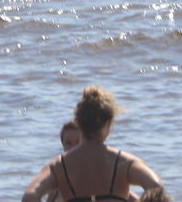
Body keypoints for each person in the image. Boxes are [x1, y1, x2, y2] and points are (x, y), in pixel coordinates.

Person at [21, 86, 164, 202]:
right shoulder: (124, 162)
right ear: (108, 123)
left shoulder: (59, 166)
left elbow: (30, 196)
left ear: (79, 122)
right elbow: (155, 186)